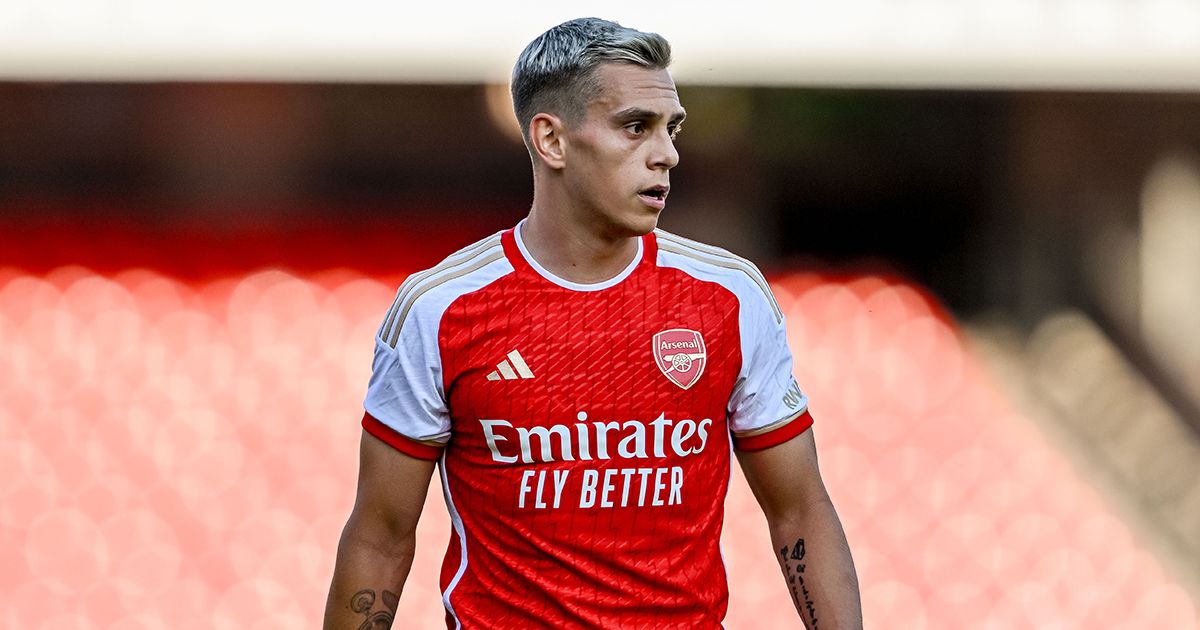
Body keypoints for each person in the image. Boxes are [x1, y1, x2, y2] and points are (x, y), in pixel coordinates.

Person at [323, 17, 862, 630]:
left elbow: (800, 510)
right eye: (636, 127)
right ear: (551, 140)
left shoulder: (729, 296)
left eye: (671, 128)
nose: (667, 153)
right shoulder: (440, 309)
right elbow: (380, 537)